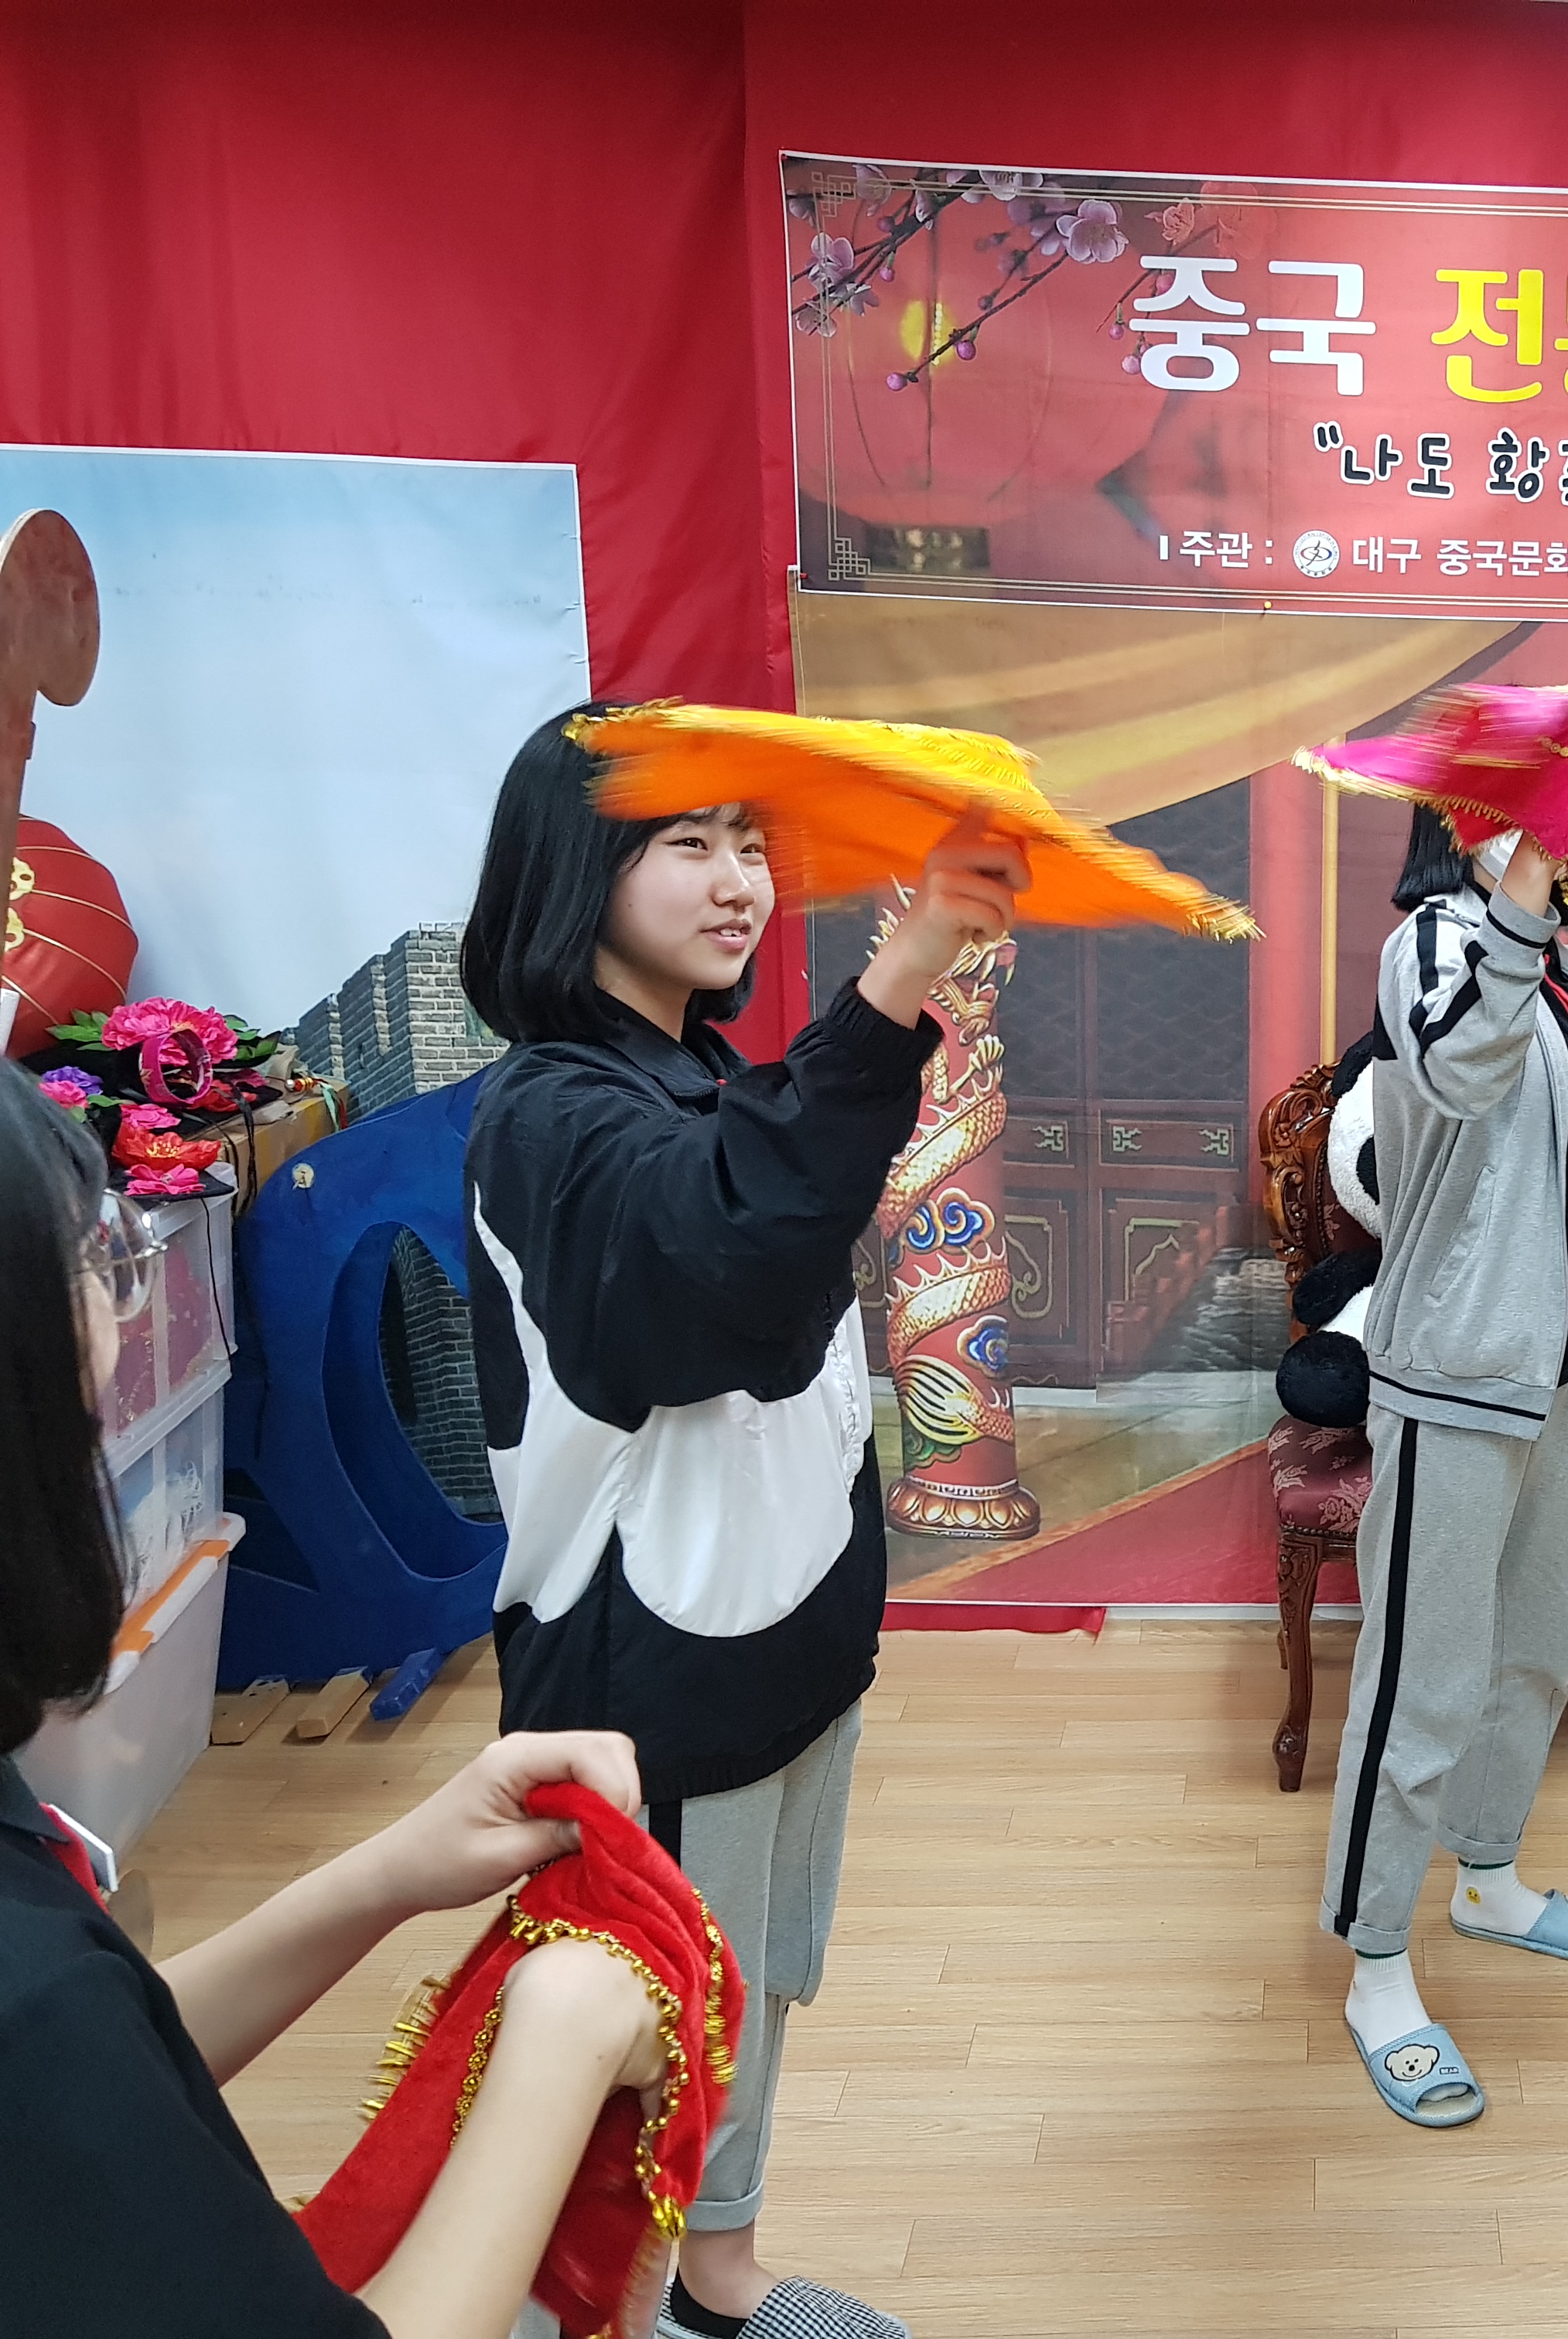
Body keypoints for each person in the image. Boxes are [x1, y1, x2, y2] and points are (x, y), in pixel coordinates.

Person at [457, 706, 1023, 2339]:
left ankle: (714, 2278)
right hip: (653, 1678)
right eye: (686, 844)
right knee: (645, 2018)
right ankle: (616, 2304)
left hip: (781, 1641)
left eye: (751, 845)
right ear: (577, 870)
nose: (738, 883)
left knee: (753, 1986)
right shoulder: (551, 1114)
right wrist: (896, 979)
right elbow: (720, 1284)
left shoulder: (694, 1072)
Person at [0, 1060, 671, 2338]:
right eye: (97, 1265)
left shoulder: (49, 2002)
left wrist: (393, 1871)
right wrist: (562, 2044)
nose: (124, 1316)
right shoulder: (31, 2001)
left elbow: (106, 2061)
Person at [1319, 805, 1568, 2127]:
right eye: (1517, 810)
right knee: (1424, 1681)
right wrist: (1522, 899)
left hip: (1561, 1373)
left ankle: (1490, 1879)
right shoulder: (1435, 945)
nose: (1547, 840)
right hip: (1455, 1372)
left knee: (1537, 1648)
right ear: (1457, 822)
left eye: (1559, 812)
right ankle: (1376, 1966)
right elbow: (1459, 1069)